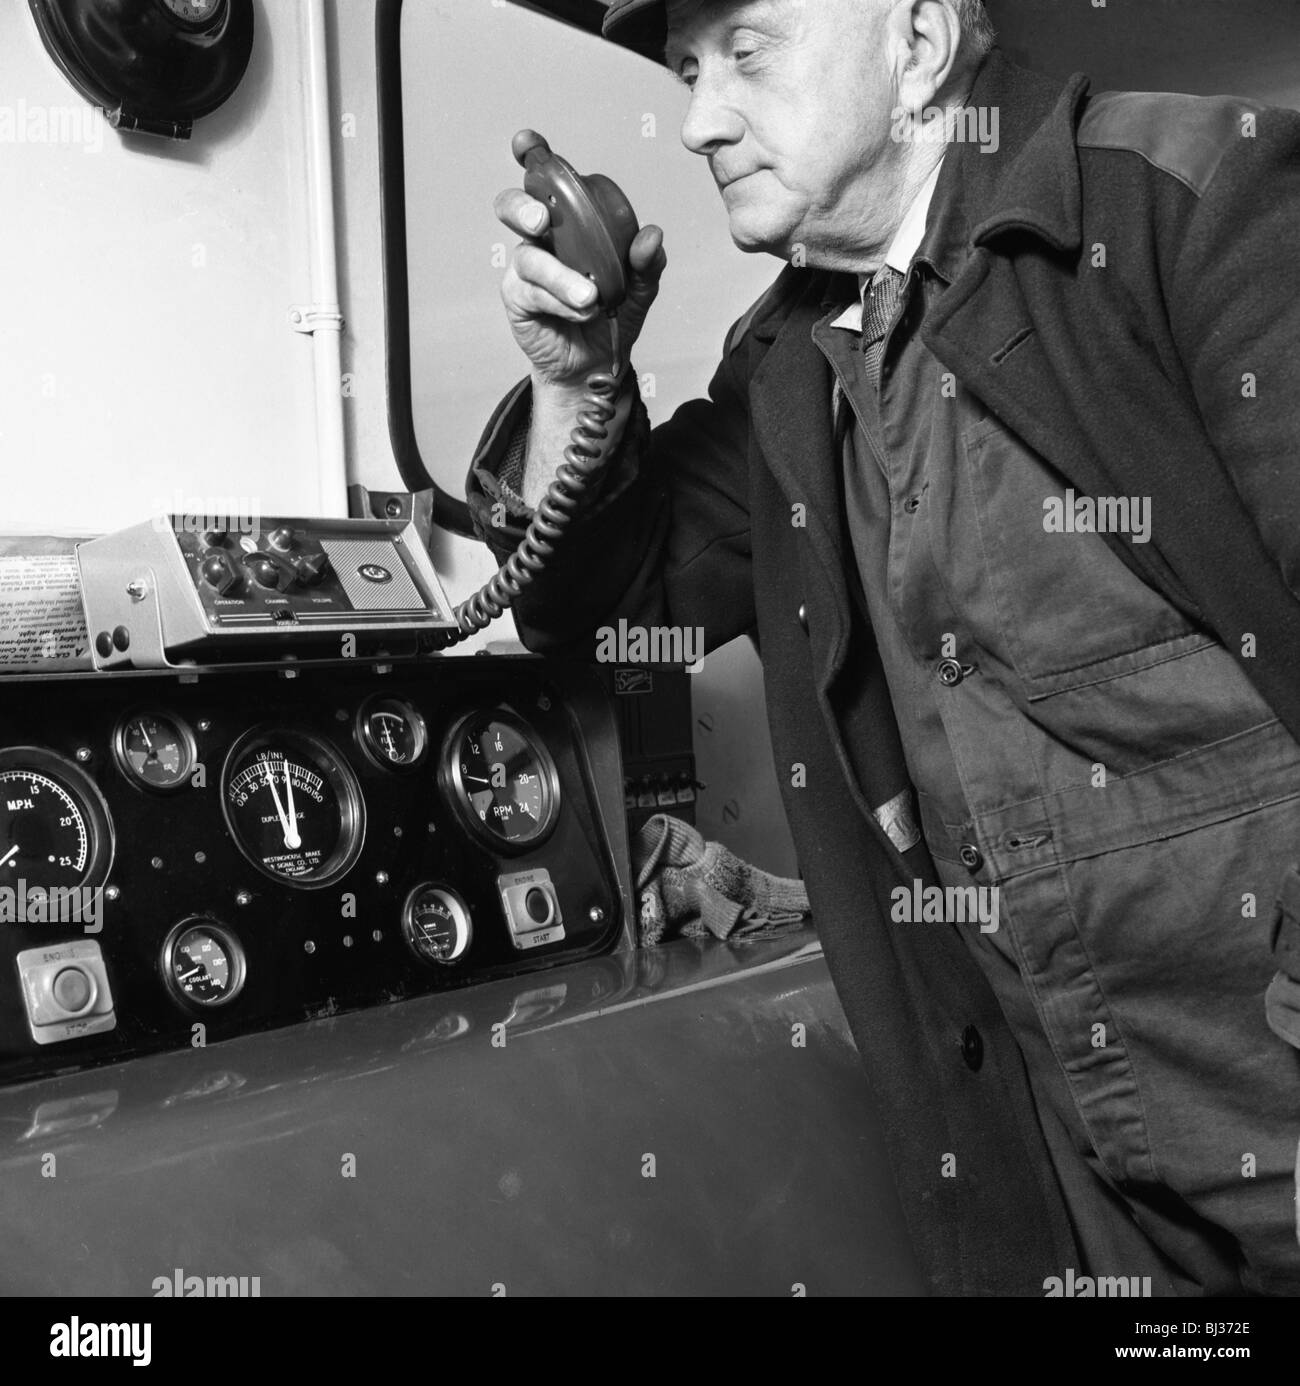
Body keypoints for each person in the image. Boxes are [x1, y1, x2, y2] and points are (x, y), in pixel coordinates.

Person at [465, 0, 1300, 1295]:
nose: (696, 120)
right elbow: (611, 606)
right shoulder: (793, 364)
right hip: (1078, 1173)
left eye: (747, 52)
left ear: (916, 44)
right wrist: (581, 379)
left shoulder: (1196, 194)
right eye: (688, 70)